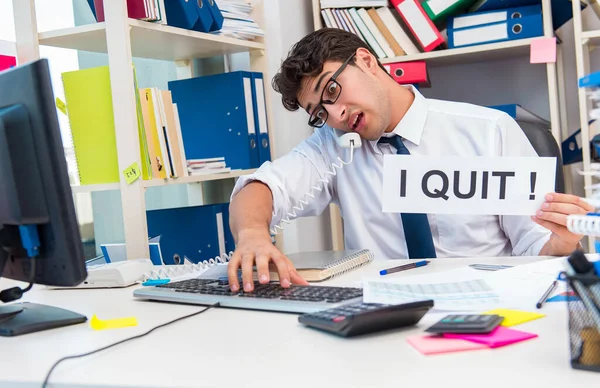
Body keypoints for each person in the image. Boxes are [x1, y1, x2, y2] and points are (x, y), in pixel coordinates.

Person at [226, 28, 593, 293]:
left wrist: (561, 246)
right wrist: (253, 233)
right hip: (385, 317)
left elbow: (537, 248)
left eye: (332, 90)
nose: (335, 115)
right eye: (319, 112)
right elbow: (262, 186)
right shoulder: (334, 145)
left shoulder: (490, 130)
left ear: (366, 61)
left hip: (486, 307)